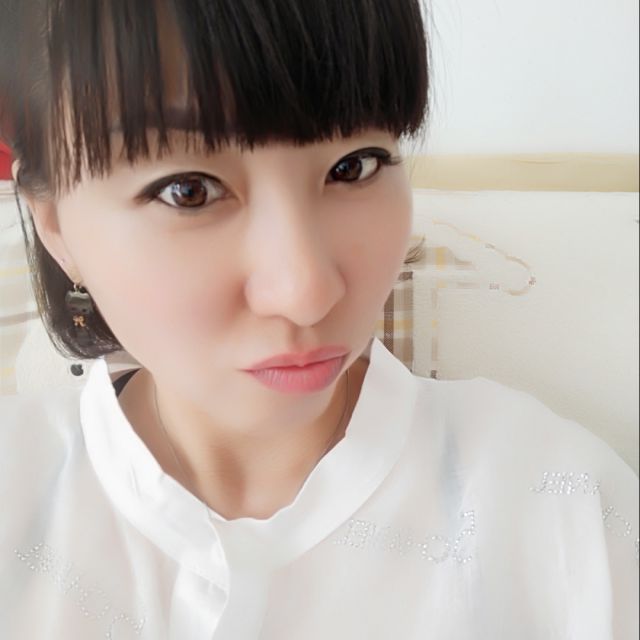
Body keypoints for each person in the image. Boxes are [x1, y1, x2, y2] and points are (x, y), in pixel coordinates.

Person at [0, 1, 637, 638]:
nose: (306, 293)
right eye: (188, 191)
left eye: (353, 166)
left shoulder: (561, 507)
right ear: (55, 224)